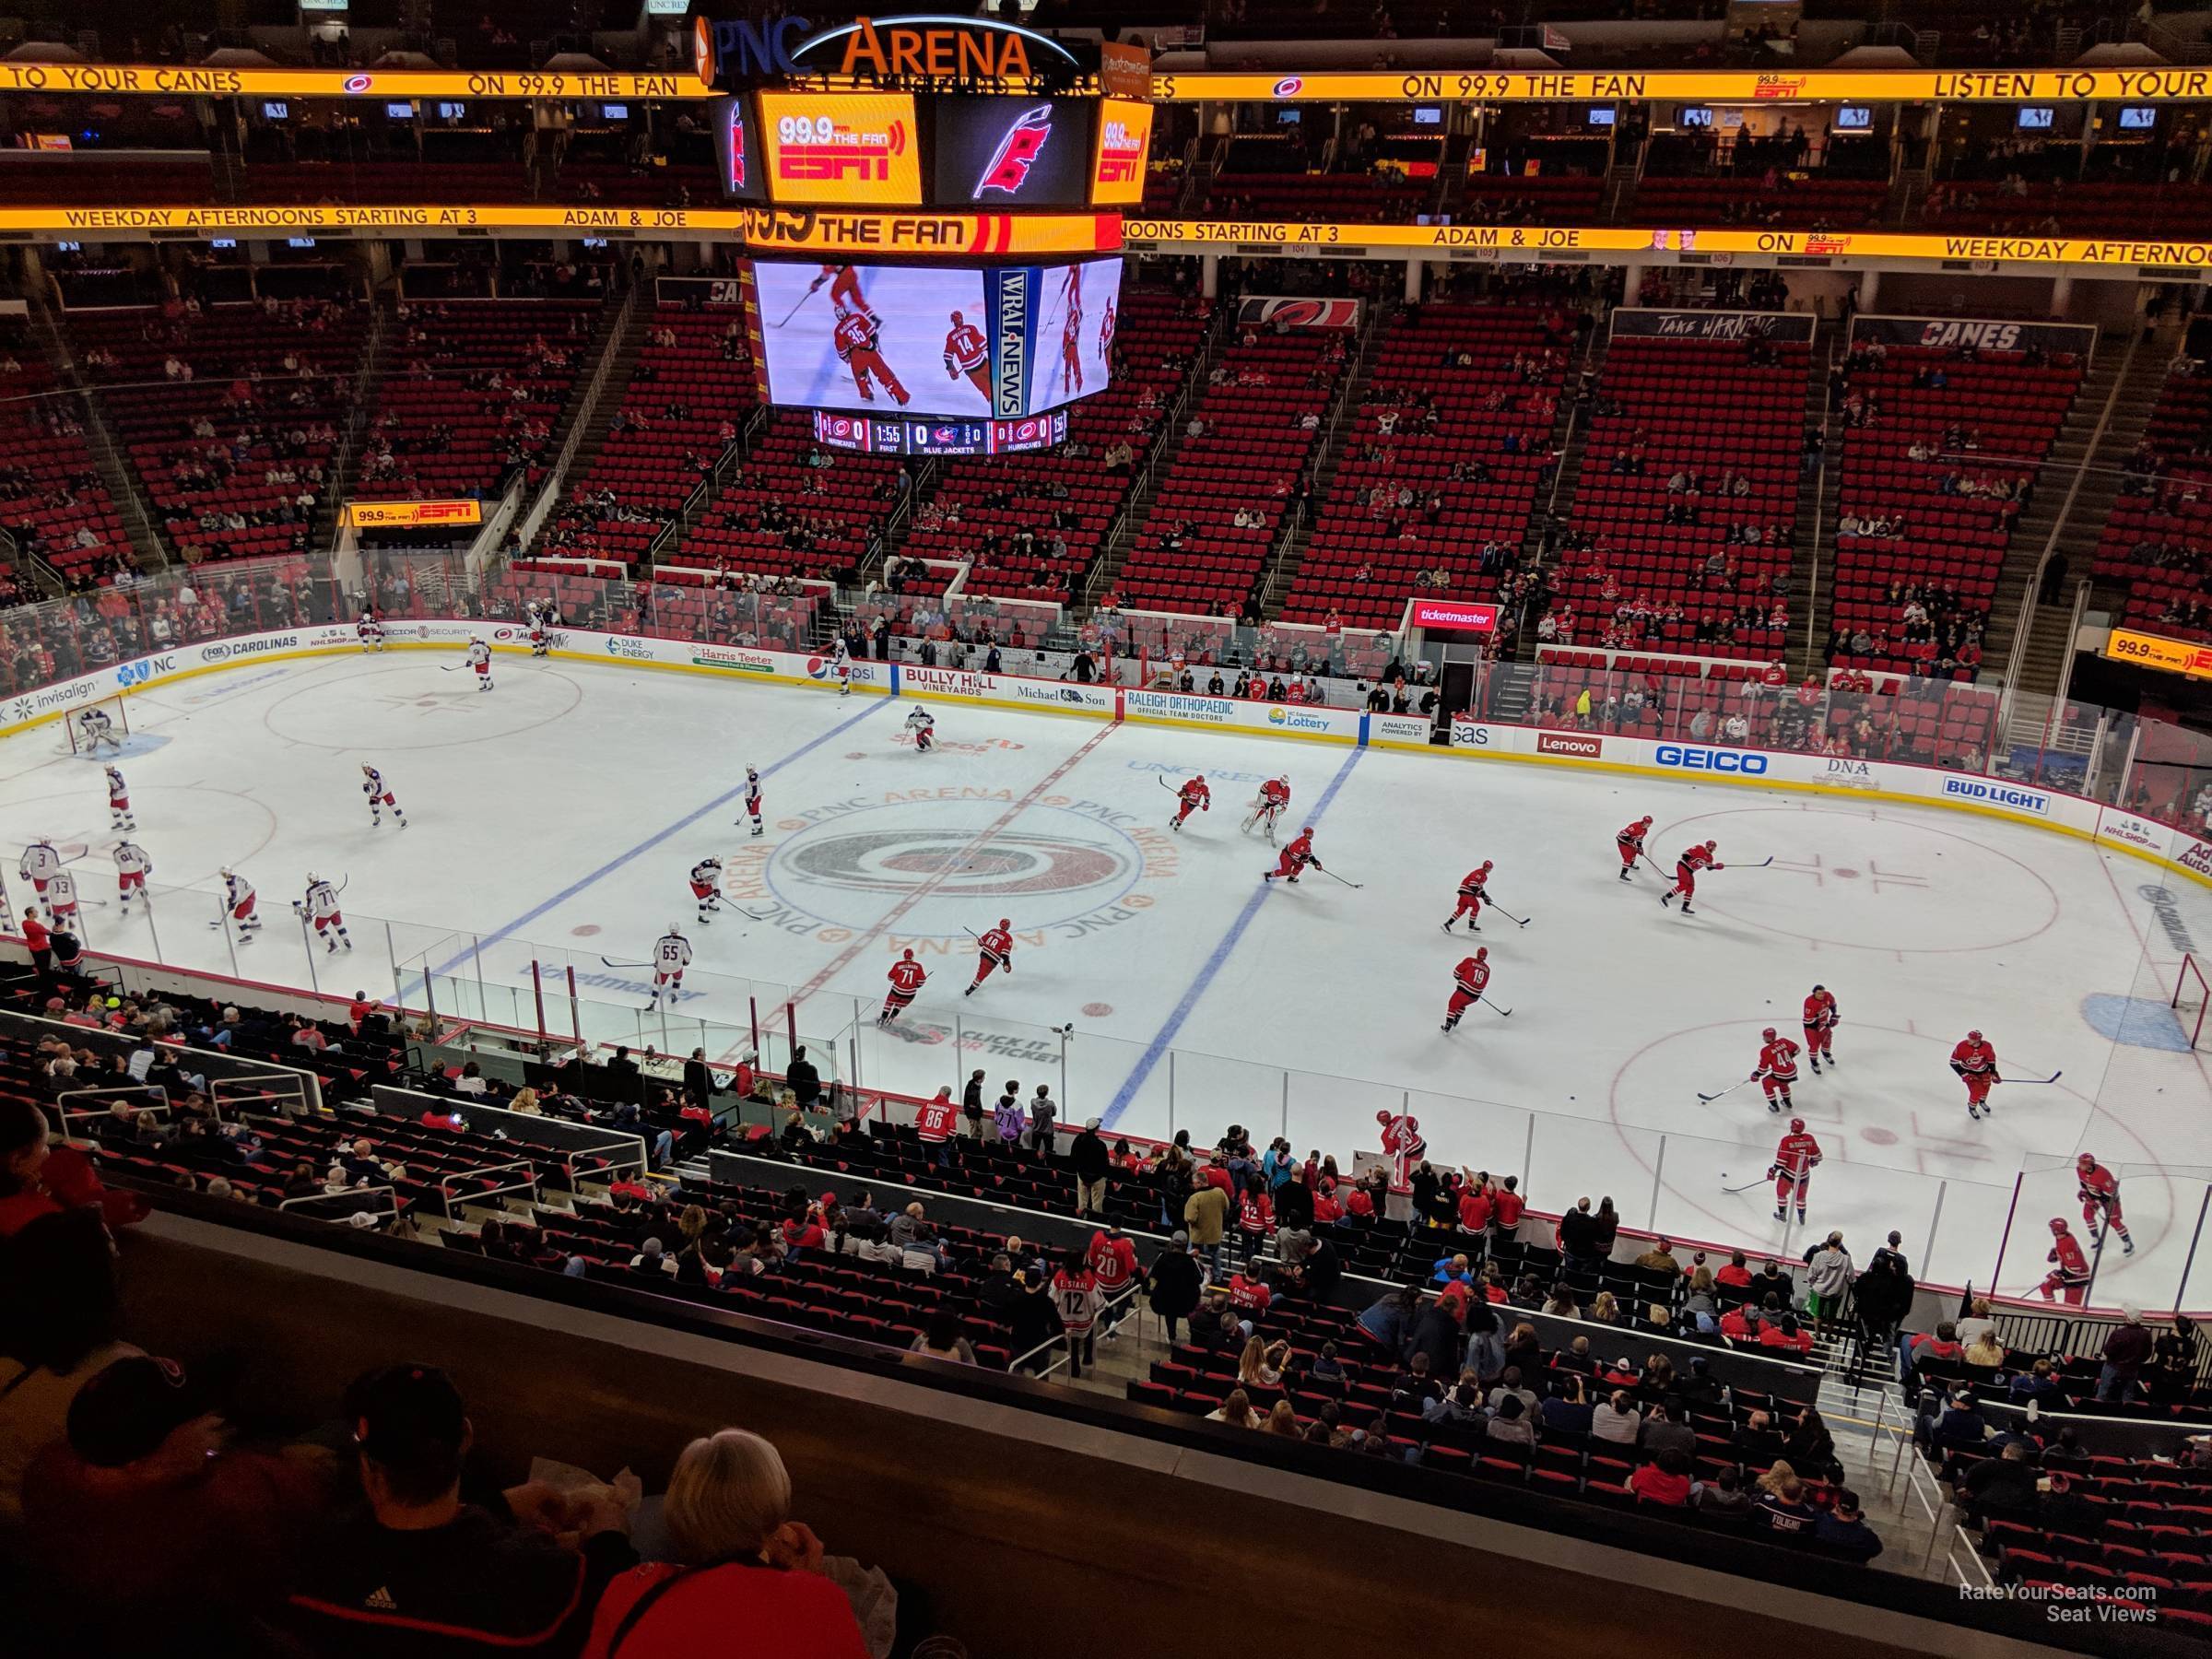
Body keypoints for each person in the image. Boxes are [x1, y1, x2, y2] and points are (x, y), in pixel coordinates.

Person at [284, 1363, 636, 1655]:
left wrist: (498, 1506)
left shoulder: (312, 1561)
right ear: (466, 1437)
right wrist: (611, 1539)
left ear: (365, 1459)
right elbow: (625, 1617)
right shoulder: (535, 1580)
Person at [18, 1352, 328, 1638]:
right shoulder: (233, 1500)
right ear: (151, 1452)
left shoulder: (46, 1474)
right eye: (194, 1417)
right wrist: (306, 1465)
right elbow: (312, 1513)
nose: (211, 1419)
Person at [581, 1429, 869, 1659]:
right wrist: (808, 1584)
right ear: (776, 1520)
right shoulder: (821, 1599)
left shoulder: (631, 1589)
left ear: (676, 1521)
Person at [1147, 1232, 1206, 1343]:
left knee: (1170, 1305)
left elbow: (1154, 1273)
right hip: (1186, 1305)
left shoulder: (1162, 1257)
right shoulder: (1191, 1262)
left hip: (1161, 1303)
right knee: (1192, 1295)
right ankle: (1192, 1331)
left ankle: (1171, 1336)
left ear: (1172, 1243)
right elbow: (1200, 1279)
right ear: (1185, 1245)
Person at [1814, 1488, 1884, 1562]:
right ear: (1856, 1512)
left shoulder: (1821, 1521)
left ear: (1837, 1507)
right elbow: (1876, 1550)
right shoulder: (1865, 1536)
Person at [1068, 1117, 1111, 1217]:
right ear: (1097, 1129)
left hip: (1082, 1175)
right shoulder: (1101, 1145)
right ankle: (1096, 1222)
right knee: (1097, 1204)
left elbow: (1073, 1157)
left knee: (1082, 1202)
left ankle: (1082, 1220)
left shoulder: (1078, 1139)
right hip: (1097, 1178)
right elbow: (1105, 1164)